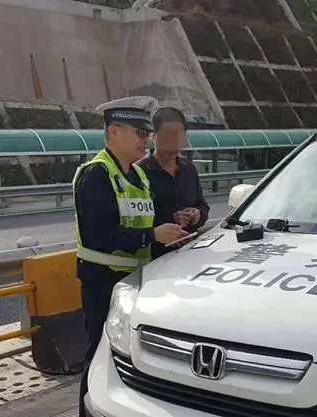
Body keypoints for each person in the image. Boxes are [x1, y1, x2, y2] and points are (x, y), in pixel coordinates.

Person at [73, 96, 188, 416]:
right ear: (113, 131)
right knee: (99, 358)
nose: (146, 139)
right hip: (103, 283)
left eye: (148, 133)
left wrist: (170, 230)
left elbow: (141, 223)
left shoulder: (138, 177)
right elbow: (100, 236)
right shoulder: (97, 174)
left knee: (133, 359)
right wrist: (152, 235)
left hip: (137, 281)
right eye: (139, 133)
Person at [138, 107, 210, 258]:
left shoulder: (188, 168)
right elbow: (135, 222)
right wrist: (171, 220)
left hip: (190, 253)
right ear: (153, 135)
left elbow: (203, 206)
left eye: (179, 135)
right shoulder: (139, 172)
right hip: (156, 257)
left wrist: (197, 215)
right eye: (167, 135)